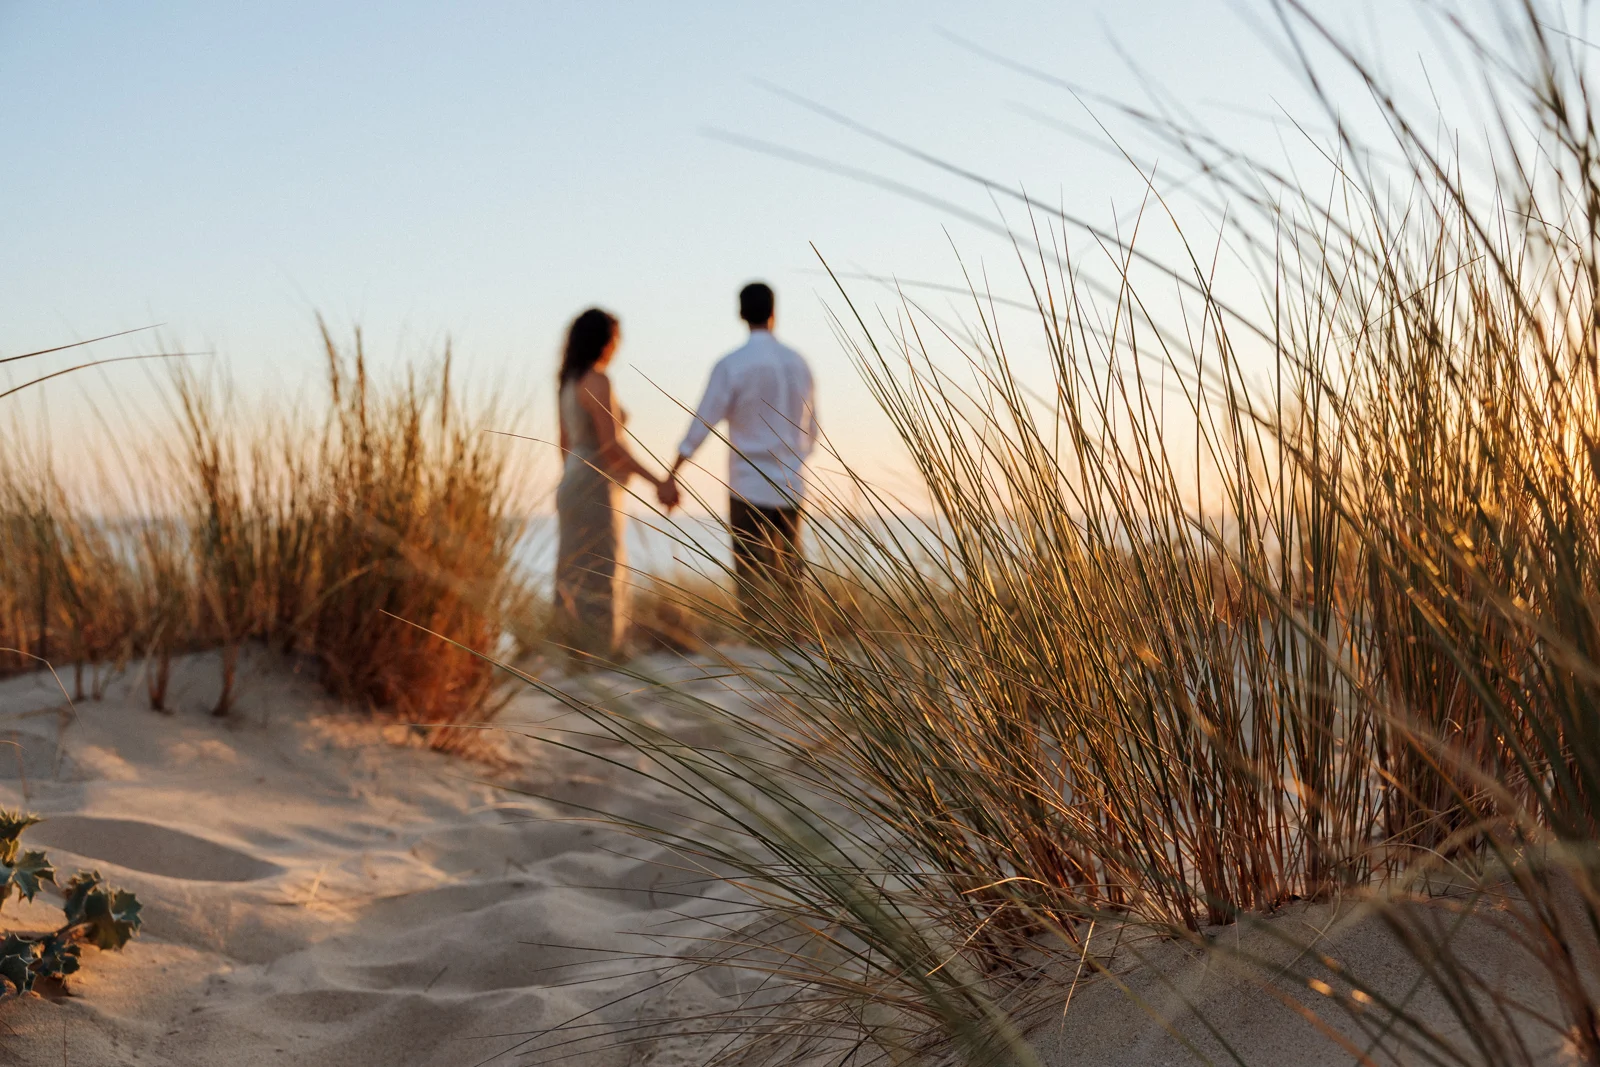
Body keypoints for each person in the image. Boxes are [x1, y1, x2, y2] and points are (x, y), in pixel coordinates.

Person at [662, 282, 818, 619]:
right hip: (792, 483)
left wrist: (672, 474)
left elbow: (701, 424)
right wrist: (793, 460)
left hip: (747, 484)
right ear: (774, 312)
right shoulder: (799, 363)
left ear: (741, 313)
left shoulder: (733, 364)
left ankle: (761, 642)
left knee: (751, 573)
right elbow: (812, 431)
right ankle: (798, 635)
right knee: (791, 570)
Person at [554, 308, 671, 665]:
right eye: (616, 338)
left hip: (573, 480)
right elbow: (611, 447)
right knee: (603, 565)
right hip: (594, 482)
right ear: (605, 341)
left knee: (574, 566)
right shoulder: (599, 380)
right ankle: (603, 653)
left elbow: (564, 444)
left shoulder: (568, 383)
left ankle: (573, 650)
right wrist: (659, 482)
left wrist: (573, 482)